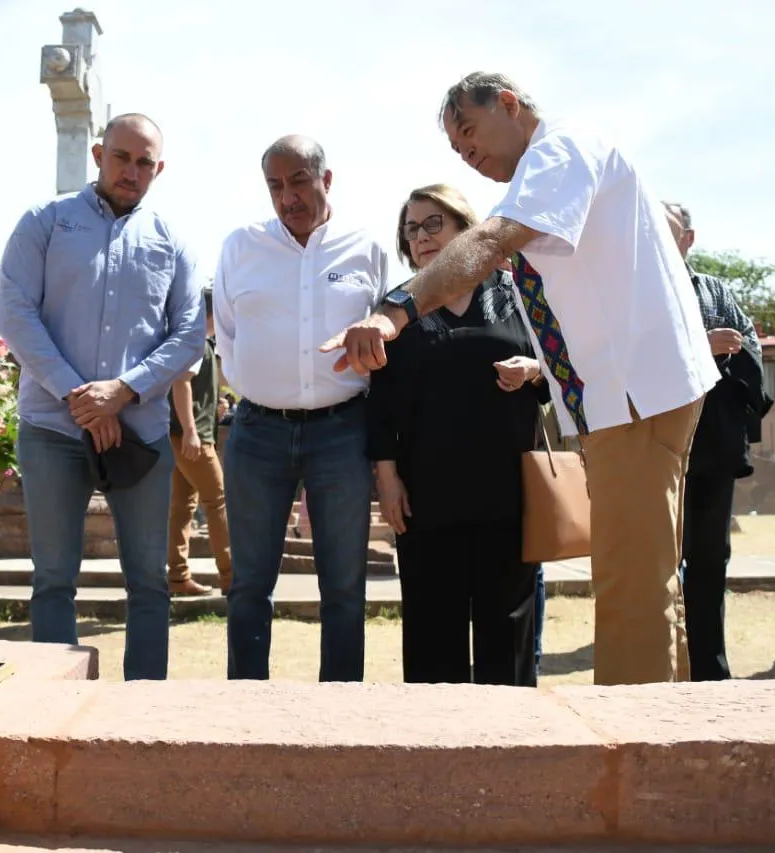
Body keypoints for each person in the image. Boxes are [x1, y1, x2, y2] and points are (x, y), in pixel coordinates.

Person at [322, 72, 719, 686]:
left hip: (634, 397)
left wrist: (394, 309)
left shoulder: (558, 151)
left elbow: (491, 239)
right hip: (626, 398)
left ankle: (631, 755)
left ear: (508, 103)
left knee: (629, 583)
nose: (469, 154)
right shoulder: (557, 166)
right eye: (457, 150)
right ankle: (679, 735)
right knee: (648, 571)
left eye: (471, 133)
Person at [0, 113, 205, 681]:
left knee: (149, 581)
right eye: (121, 157)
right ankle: (51, 705)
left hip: (141, 432)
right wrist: (79, 397)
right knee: (54, 579)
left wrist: (124, 391)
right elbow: (13, 313)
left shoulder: (171, 241)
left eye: (145, 163)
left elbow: (189, 335)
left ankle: (143, 709)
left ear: (158, 168)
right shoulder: (45, 222)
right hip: (53, 429)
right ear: (97, 154)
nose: (131, 171)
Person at [215, 134, 389, 682]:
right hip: (257, 432)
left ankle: (340, 712)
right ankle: (246, 706)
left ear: (326, 180)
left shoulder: (367, 247)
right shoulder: (241, 246)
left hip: (343, 432)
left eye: (297, 181)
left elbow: (389, 335)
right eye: (274, 185)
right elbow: (226, 334)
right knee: (248, 584)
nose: (286, 196)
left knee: (343, 585)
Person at [368, 183, 545, 685]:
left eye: (433, 223)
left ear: (467, 230)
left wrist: (533, 369)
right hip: (427, 496)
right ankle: (434, 750)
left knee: (507, 630)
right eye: (411, 229)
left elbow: (564, 365)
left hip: (508, 493)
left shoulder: (519, 295)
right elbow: (380, 405)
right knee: (431, 632)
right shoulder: (397, 308)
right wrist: (386, 477)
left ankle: (513, 746)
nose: (421, 237)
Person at [664, 202, 767, 681]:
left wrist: (731, 348)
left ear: (688, 239)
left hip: (711, 449)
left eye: (669, 231)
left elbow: (750, 346)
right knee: (655, 564)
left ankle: (710, 669)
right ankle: (660, 665)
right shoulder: (636, 293)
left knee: (708, 560)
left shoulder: (716, 292)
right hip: (654, 448)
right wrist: (695, 346)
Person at [166, 286, 232, 596]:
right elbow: (181, 384)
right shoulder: (193, 339)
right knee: (219, 502)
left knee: (182, 506)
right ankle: (233, 576)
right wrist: (191, 431)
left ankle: (178, 577)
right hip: (191, 439)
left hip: (181, 435)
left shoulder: (199, 341)